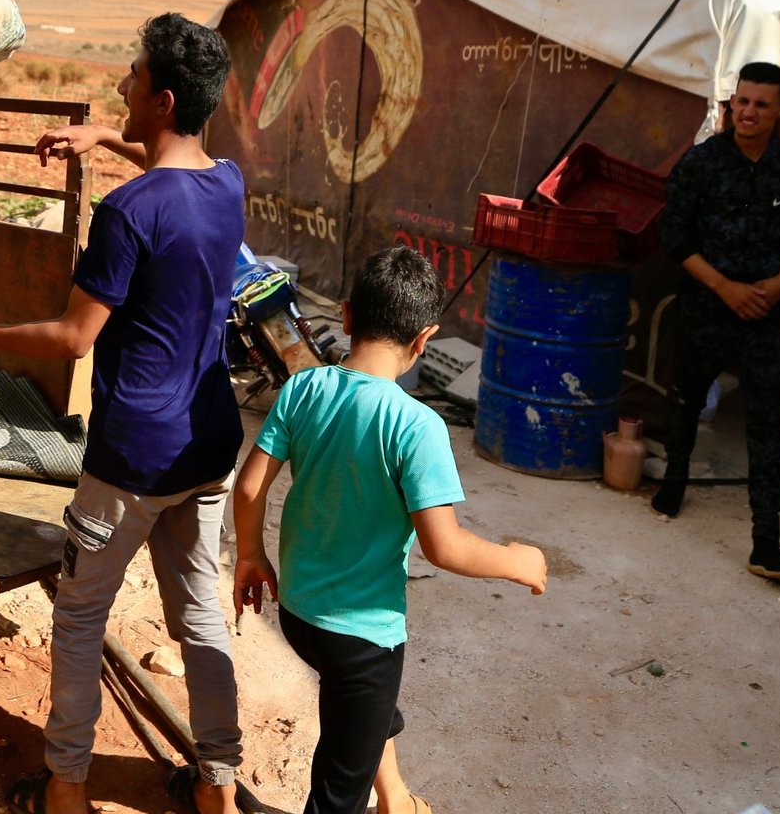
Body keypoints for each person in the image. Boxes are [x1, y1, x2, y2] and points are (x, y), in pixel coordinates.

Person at [0, 13, 244, 814]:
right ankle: (217, 788)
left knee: (78, 617)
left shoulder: (129, 213)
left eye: (133, 78)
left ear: (163, 99)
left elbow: (73, 338)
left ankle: (67, 789)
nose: (122, 84)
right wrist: (106, 135)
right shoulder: (228, 183)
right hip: (205, 451)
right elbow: (177, 170)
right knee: (201, 622)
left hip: (131, 458)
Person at [231, 246, 547, 814]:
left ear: (347, 317)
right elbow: (444, 546)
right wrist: (516, 560)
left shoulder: (303, 388)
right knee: (338, 784)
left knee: (367, 707)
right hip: (363, 634)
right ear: (424, 339)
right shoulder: (417, 425)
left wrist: (250, 554)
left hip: (300, 612)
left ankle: (395, 797)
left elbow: (251, 487)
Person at [651, 61, 780, 578]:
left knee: (768, 421)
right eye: (740, 102)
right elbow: (675, 240)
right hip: (706, 307)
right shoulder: (700, 164)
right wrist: (726, 288)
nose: (747, 112)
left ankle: (766, 539)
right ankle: (673, 481)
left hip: (764, 314)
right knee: (687, 400)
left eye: (761, 104)